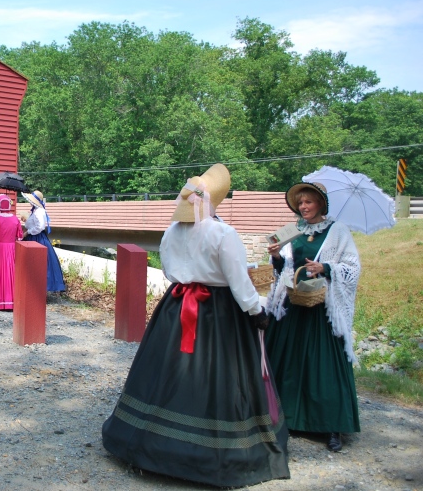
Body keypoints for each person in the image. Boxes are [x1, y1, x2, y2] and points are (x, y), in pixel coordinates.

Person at [101, 164, 290, 487]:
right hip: (219, 314)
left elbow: (169, 270)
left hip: (175, 308)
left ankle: (149, 440)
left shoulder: (172, 231)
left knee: (168, 370)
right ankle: (212, 454)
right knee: (218, 375)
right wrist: (256, 310)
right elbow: (237, 280)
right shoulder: (223, 233)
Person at [265, 182, 361, 452]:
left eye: (309, 202)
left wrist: (326, 266)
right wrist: (275, 258)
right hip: (294, 304)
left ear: (321, 203)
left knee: (324, 367)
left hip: (321, 308)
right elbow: (285, 268)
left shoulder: (337, 231)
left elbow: (352, 267)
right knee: (289, 363)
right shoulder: (293, 230)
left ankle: (331, 426)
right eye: (301, 203)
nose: (304, 207)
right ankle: (289, 418)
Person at [21, 190, 66, 292]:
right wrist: (26, 221)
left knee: (40, 263)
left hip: (37, 239)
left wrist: (27, 232)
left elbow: (40, 227)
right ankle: (32, 286)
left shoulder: (39, 211)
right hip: (33, 237)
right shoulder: (35, 210)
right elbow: (34, 224)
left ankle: (41, 287)